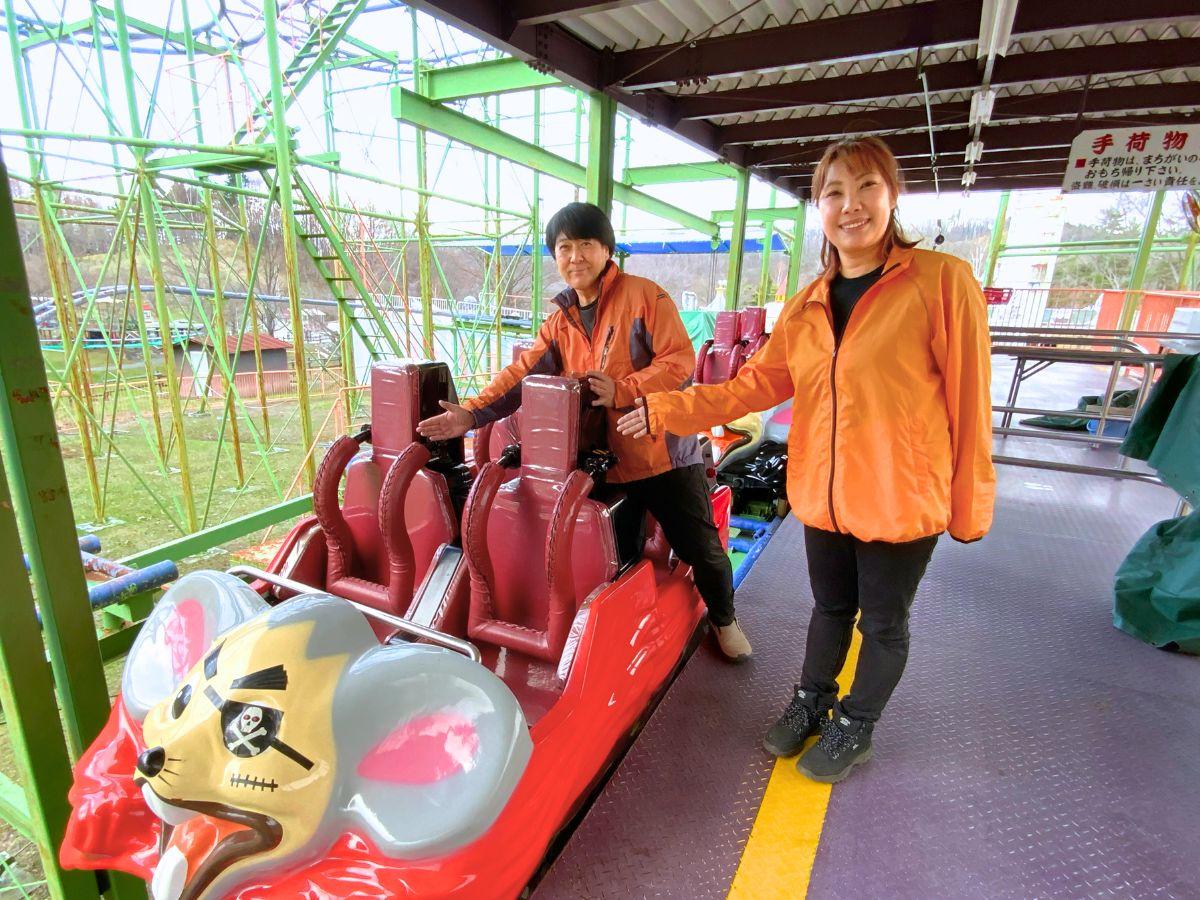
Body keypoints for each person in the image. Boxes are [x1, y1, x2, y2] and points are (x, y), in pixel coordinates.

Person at [617, 137, 995, 781]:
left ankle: (857, 724)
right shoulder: (808, 303)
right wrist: (665, 407)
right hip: (823, 493)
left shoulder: (940, 282)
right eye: (834, 194)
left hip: (903, 493)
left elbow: (970, 397)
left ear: (892, 195)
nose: (851, 206)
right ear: (818, 208)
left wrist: (968, 504)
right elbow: (752, 387)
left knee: (882, 621)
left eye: (866, 188)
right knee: (828, 609)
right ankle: (811, 701)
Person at [416, 201, 752, 662]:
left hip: (661, 454)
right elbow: (521, 375)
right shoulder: (560, 321)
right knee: (613, 552)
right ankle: (625, 635)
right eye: (564, 247)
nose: (575, 256)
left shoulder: (644, 297)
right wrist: (471, 415)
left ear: (607, 250)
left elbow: (679, 364)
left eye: (585, 245)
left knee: (700, 547)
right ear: (555, 256)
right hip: (601, 462)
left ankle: (724, 617)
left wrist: (626, 389)